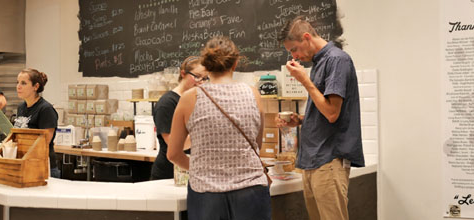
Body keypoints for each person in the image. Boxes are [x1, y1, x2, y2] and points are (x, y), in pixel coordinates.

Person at [167, 35, 271, 219]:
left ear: (205, 66)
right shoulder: (253, 94)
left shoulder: (189, 98)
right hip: (251, 191)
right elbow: (257, 144)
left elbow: (173, 154)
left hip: (206, 193)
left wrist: (201, 169)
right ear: (235, 63)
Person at [274, 16, 363, 220]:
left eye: (294, 49)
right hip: (314, 160)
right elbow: (325, 111)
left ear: (307, 37)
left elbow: (332, 113)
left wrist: (305, 81)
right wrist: (301, 120)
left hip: (329, 159)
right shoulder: (320, 62)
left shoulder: (336, 60)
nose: (294, 57)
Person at [150, 56, 207, 180]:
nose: (201, 82)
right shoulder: (167, 103)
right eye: (197, 76)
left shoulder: (199, 100)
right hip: (168, 173)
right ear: (183, 73)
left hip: (192, 171)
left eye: (205, 78)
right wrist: (206, 132)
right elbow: (174, 145)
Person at [12, 68, 59, 177]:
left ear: (36, 87)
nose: (18, 86)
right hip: (26, 163)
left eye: (23, 83)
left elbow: (45, 141)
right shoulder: (21, 108)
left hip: (43, 167)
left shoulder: (45, 109)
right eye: (17, 82)